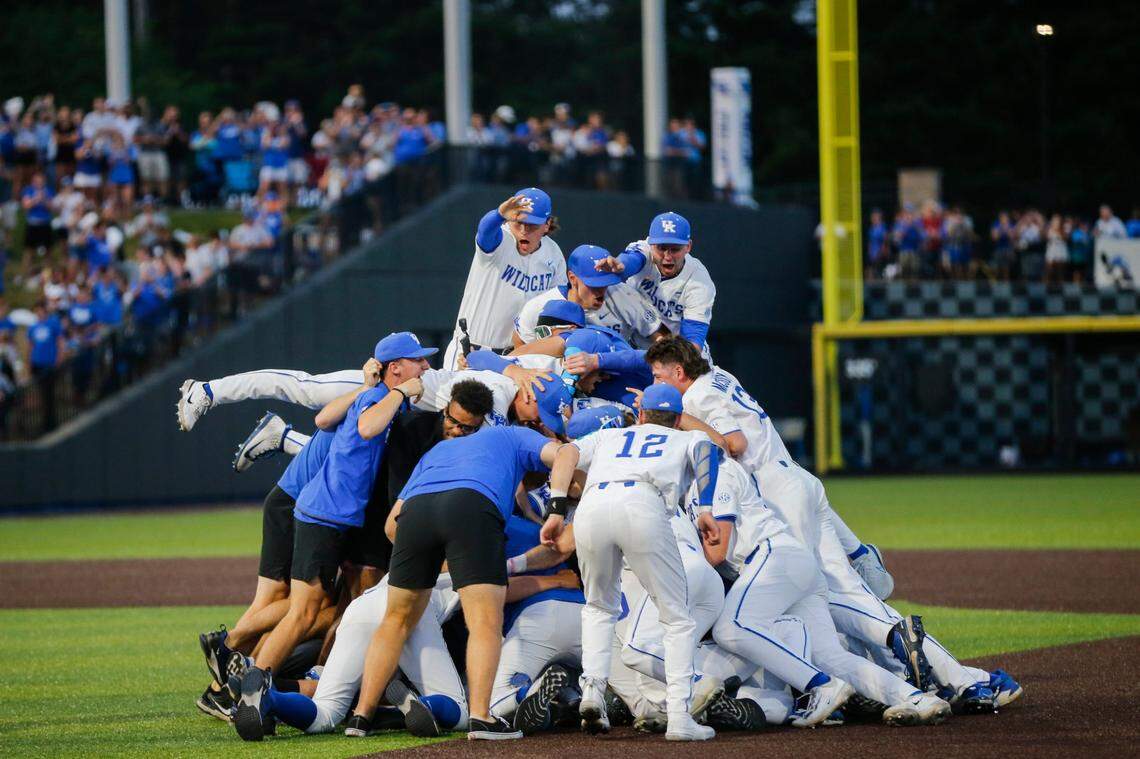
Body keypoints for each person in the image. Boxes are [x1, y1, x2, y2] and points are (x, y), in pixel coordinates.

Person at [346, 424, 564, 740]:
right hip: (472, 507)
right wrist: (556, 508)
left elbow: (392, 526)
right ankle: (481, 719)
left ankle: (360, 718)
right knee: (485, 622)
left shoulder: (440, 449)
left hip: (417, 513)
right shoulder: (514, 435)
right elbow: (565, 452)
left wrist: (438, 556)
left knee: (395, 620)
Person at [539, 383, 723, 741]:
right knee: (677, 618)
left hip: (593, 507)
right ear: (677, 419)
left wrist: (557, 508)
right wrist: (706, 508)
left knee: (597, 607)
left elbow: (566, 454)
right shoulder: (683, 438)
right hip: (642, 503)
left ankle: (592, 691)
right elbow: (708, 449)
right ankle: (680, 717)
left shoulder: (613, 436)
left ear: (640, 415)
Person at [442, 188, 567, 369]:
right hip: (470, 350)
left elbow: (557, 305)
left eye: (531, 225)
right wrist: (499, 215)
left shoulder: (553, 253)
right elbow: (485, 231)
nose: (524, 230)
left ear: (547, 225)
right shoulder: (500, 240)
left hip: (513, 357)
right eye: (518, 223)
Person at [596, 212, 716, 354]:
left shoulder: (700, 281)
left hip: (674, 350)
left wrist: (681, 363)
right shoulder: (644, 249)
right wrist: (621, 265)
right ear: (650, 244)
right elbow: (632, 260)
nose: (667, 256)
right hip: (633, 342)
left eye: (674, 249)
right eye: (661, 248)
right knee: (614, 289)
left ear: (688, 247)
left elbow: (692, 341)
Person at [512, 243, 664, 349]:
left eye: (605, 283)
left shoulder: (623, 295)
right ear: (572, 278)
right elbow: (521, 345)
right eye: (593, 285)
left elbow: (661, 335)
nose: (601, 290)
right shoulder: (539, 306)